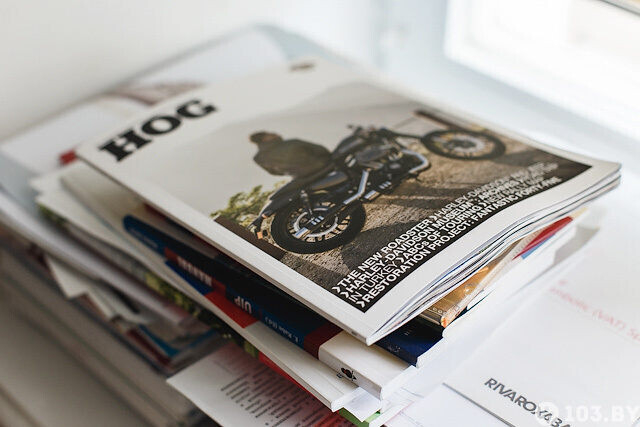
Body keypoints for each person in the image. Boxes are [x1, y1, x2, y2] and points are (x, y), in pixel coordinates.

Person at [250, 131, 332, 179]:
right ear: (264, 139)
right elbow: (320, 149)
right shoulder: (292, 143)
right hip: (323, 167)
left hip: (300, 177)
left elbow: (274, 172)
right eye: (268, 134)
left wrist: (293, 171)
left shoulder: (258, 158)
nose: (273, 133)